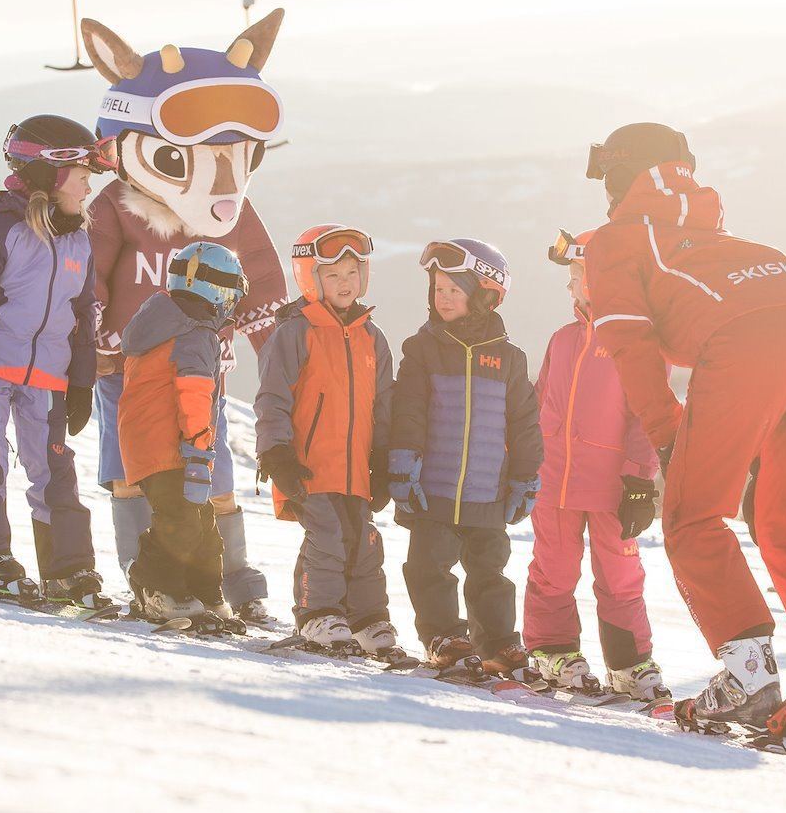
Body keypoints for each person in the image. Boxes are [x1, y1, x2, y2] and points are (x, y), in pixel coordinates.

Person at [582, 121, 786, 749]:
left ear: (617, 179)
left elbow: (630, 344)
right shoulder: (732, 241)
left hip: (746, 347)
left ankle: (749, 679)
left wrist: (668, 434)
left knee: (693, 516)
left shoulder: (615, 240)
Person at [83, 14, 290, 625]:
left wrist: (281, 355)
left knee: (213, 477)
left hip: (204, 371)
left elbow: (262, 285)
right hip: (127, 369)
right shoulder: (117, 206)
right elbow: (88, 277)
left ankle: (232, 578)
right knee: (133, 474)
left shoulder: (230, 213)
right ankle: (144, 575)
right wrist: (92, 341)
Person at [0, 115, 113, 608]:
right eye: (81, 175)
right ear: (49, 173)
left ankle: (68, 570)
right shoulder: (0, 231)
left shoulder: (78, 240)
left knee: (55, 471)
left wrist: (80, 382)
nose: (88, 187)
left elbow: (83, 314)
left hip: (49, 376)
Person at [387, 239, 543, 675]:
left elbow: (525, 424)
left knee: (490, 572)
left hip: (488, 493)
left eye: (455, 290)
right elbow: (408, 411)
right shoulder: (422, 349)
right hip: (432, 491)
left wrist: (526, 477)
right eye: (438, 289)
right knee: (428, 567)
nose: (444, 298)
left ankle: (500, 644)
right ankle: (445, 637)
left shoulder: (510, 359)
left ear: (486, 296)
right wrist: (402, 464)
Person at [525, 228, 667, 701]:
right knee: (553, 569)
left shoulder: (637, 343)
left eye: (576, 276)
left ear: (600, 278)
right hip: (554, 483)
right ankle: (552, 650)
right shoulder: (562, 340)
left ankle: (629, 663)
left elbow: (647, 416)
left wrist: (640, 481)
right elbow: (539, 403)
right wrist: (523, 461)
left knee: (621, 577)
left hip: (612, 488)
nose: (569, 286)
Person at [254, 225, 406, 657]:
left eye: (352, 274)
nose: (345, 283)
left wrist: (382, 458)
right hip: (307, 464)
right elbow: (272, 397)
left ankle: (367, 619)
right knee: (327, 536)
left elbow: (383, 405)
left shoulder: (372, 337)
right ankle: (318, 613)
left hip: (356, 467)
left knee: (363, 540)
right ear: (311, 278)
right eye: (333, 275)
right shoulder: (295, 332)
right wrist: (276, 452)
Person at [115, 242, 249, 625]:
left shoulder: (165, 324)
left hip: (152, 444)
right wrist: (198, 450)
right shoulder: (195, 334)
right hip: (172, 446)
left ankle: (205, 594)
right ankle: (154, 586)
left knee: (201, 522)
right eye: (231, 295)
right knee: (181, 521)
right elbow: (194, 395)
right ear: (217, 293)